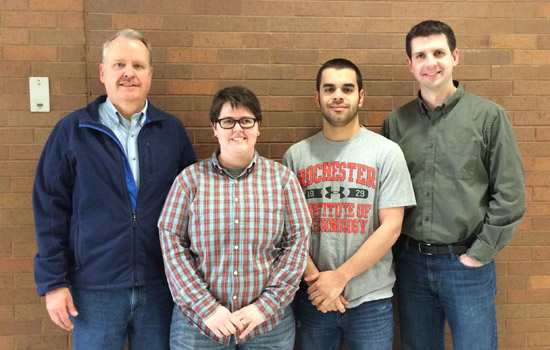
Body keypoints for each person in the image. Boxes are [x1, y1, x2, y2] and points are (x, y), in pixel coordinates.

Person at [32, 29, 197, 349]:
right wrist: (53, 283)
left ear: (150, 75)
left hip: (161, 288)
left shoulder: (171, 131)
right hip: (94, 291)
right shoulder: (72, 131)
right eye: (119, 64)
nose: (129, 73)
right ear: (102, 73)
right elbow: (49, 209)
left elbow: (194, 207)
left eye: (138, 66)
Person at [381, 20, 527, 350]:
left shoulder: (489, 117)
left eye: (438, 52)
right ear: (410, 64)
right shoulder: (395, 123)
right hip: (411, 265)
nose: (430, 62)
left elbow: (511, 195)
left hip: (467, 263)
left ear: (455, 56)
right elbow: (386, 197)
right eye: (420, 55)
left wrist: (479, 254)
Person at [158, 86, 311, 350]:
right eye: (228, 121)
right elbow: (171, 243)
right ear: (214, 128)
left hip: (267, 327)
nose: (237, 129)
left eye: (246, 121)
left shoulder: (283, 180)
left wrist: (265, 307)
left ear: (258, 127)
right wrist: (207, 308)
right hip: (199, 326)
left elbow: (297, 243)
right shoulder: (189, 181)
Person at [283, 58, 416, 350]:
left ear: (361, 96)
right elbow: (289, 231)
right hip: (313, 297)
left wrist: (339, 279)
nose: (338, 96)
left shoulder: (386, 153)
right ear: (317, 97)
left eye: (347, 88)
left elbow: (392, 227)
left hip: (371, 300)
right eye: (329, 89)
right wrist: (318, 283)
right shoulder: (296, 157)